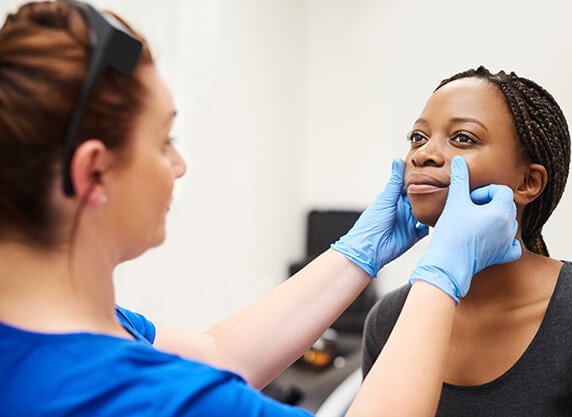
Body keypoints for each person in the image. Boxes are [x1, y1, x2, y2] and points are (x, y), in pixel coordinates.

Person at [0, 2, 520, 416]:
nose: (179, 166)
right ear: (92, 172)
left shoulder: (87, 328)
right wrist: (439, 277)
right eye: (164, 142)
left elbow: (220, 356)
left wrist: (359, 252)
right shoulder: (149, 400)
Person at [362, 66, 572, 416]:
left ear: (528, 182)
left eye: (463, 138)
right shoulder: (387, 320)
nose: (422, 155)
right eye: (417, 137)